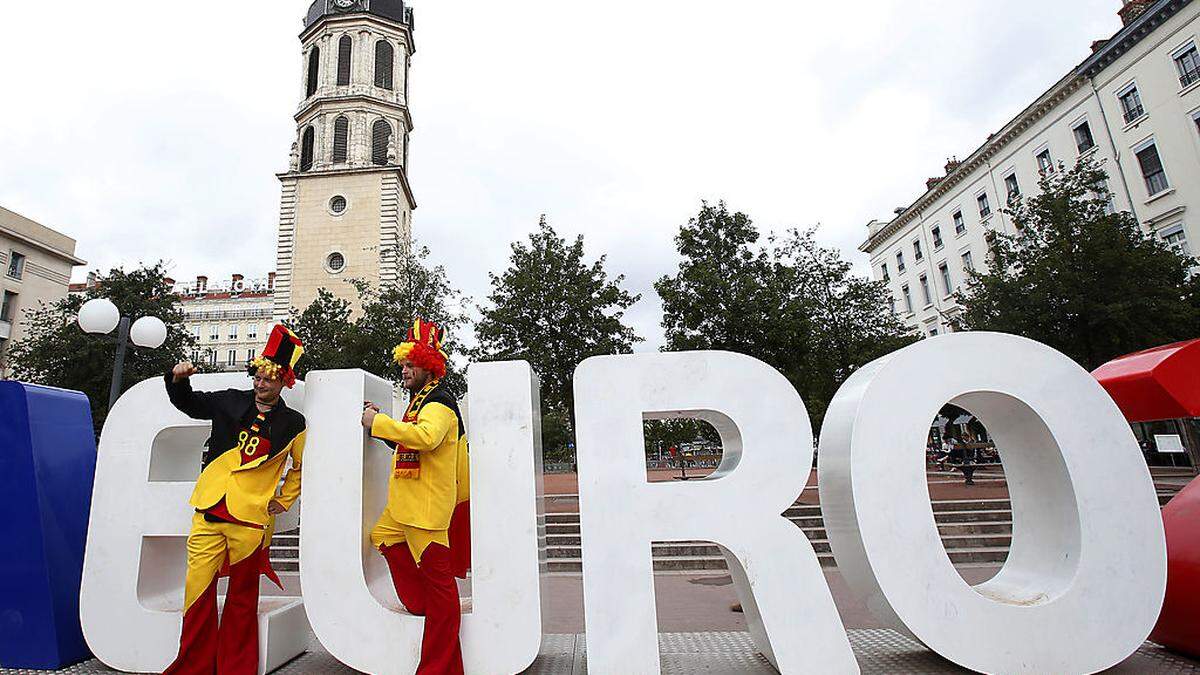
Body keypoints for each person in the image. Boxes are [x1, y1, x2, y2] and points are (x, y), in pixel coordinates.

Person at [162, 325, 307, 675]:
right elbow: (190, 404)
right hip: (209, 509)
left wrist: (284, 499)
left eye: (269, 379)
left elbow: (302, 467)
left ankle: (236, 668)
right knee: (196, 594)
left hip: (251, 519)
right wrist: (177, 380)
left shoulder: (295, 423)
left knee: (243, 600)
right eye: (258, 376)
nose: (261, 384)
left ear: (284, 381)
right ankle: (192, 667)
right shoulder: (228, 399)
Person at [361, 319, 470, 674]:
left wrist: (376, 424)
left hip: (425, 509)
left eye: (411, 364)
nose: (404, 370)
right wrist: (381, 424)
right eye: (403, 363)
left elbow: (425, 438)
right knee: (384, 537)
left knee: (442, 590)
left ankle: (439, 668)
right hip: (405, 506)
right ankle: (418, 602)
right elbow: (407, 438)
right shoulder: (419, 400)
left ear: (430, 365)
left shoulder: (439, 400)